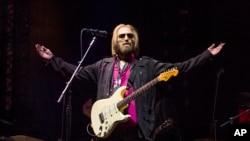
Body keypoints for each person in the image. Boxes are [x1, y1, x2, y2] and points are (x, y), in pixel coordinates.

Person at [35, 23, 225, 141]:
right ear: (115, 42)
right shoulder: (104, 65)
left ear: (135, 41)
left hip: (138, 132)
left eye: (130, 36)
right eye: (122, 36)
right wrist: (52, 59)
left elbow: (180, 67)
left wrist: (206, 55)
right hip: (109, 131)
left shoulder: (148, 65)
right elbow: (77, 73)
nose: (126, 38)